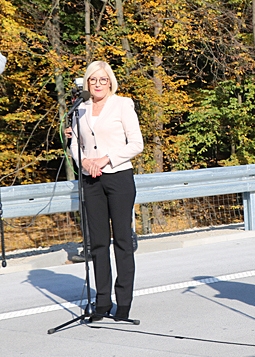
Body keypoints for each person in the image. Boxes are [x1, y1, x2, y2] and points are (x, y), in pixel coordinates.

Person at [69, 61, 144, 321]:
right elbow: (75, 144)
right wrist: (85, 162)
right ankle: (102, 302)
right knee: (98, 243)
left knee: (122, 240)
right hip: (91, 180)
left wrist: (106, 159)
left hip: (119, 177)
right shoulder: (80, 108)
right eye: (93, 80)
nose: (98, 84)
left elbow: (137, 143)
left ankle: (123, 303)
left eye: (102, 80)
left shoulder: (123, 104)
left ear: (110, 82)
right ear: (87, 83)